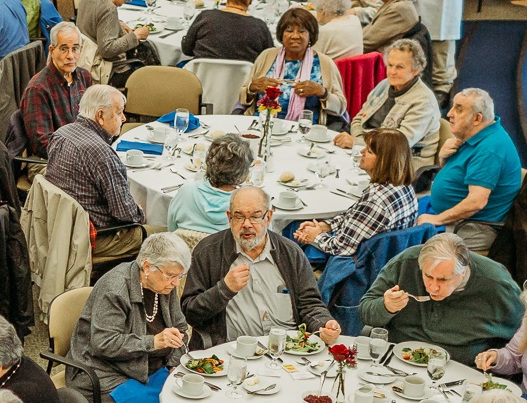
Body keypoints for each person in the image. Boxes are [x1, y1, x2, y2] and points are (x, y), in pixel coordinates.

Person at [181, 187, 340, 347]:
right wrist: (224, 289)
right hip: (232, 351)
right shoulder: (208, 252)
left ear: (268, 217)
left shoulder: (290, 253)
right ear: (229, 218)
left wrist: (324, 323)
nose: (247, 224)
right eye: (239, 217)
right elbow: (190, 313)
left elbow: (309, 304)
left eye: (255, 217)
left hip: (287, 351)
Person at [68, 232, 191, 402]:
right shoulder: (115, 289)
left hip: (153, 367)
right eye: (171, 276)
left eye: (180, 276)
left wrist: (174, 366)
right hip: (107, 371)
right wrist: (153, 342)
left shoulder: (162, 286)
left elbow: (180, 328)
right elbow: (103, 343)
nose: (176, 283)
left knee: (190, 394)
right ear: (147, 267)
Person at [360, 232, 524, 360]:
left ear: (464, 271)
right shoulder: (406, 263)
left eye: (443, 279)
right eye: (428, 276)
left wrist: (496, 358)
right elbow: (365, 312)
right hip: (396, 355)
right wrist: (386, 307)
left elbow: (525, 335)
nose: (433, 287)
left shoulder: (497, 285)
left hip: (462, 369)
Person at [44, 85, 144, 257]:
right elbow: (125, 215)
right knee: (150, 233)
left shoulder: (61, 134)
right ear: (100, 116)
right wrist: (139, 212)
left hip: (57, 225)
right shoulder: (102, 154)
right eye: (119, 112)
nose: (124, 118)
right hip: (90, 236)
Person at [422, 88, 524, 251]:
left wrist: (437, 219)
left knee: (406, 244)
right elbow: (459, 176)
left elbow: (476, 202)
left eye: (459, 109)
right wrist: (443, 159)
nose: (449, 114)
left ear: (477, 118)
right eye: (452, 107)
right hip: (452, 217)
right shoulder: (474, 135)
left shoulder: (490, 149)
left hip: (472, 227)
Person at [294, 128, 420, 259]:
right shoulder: (403, 185)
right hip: (385, 257)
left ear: (384, 162)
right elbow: (357, 218)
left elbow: (339, 248)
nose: (362, 151)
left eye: (369, 151)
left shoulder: (376, 201)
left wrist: (316, 236)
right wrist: (325, 226)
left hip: (359, 266)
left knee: (291, 230)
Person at [336, 39, 441, 160]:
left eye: (400, 67)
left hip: (402, 162)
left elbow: (398, 145)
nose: (392, 72)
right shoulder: (385, 85)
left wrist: (357, 143)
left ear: (416, 70)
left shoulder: (423, 102)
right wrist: (359, 142)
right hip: (369, 151)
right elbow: (359, 118)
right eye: (390, 65)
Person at [243, 7, 347, 122]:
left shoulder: (324, 63)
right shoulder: (266, 56)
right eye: (289, 31)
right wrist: (252, 87)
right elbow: (242, 97)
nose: (295, 36)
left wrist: (322, 92)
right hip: (263, 123)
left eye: (302, 31)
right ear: (281, 35)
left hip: (305, 129)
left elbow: (341, 107)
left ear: (310, 36)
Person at [21, 22, 97, 156]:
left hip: (84, 152)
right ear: (51, 50)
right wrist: (80, 154)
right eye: (63, 49)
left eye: (75, 49)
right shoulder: (38, 89)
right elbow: (42, 144)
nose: (70, 56)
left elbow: (94, 121)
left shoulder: (84, 77)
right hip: (50, 160)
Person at [78, 0, 154, 85]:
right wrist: (135, 36)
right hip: (103, 68)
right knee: (149, 77)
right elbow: (107, 49)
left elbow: (95, 20)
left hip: (83, 58)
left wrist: (118, 23)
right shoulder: (108, 8)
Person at [167, 137, 253, 241]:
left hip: (185, 255)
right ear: (244, 176)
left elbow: (171, 230)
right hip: (227, 257)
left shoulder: (186, 192)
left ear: (208, 163)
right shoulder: (252, 204)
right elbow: (262, 242)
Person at [183, 0, 272, 63]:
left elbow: (187, 50)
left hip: (200, 75)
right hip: (242, 76)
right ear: (251, 0)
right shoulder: (260, 27)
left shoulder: (205, 17)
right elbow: (270, 60)